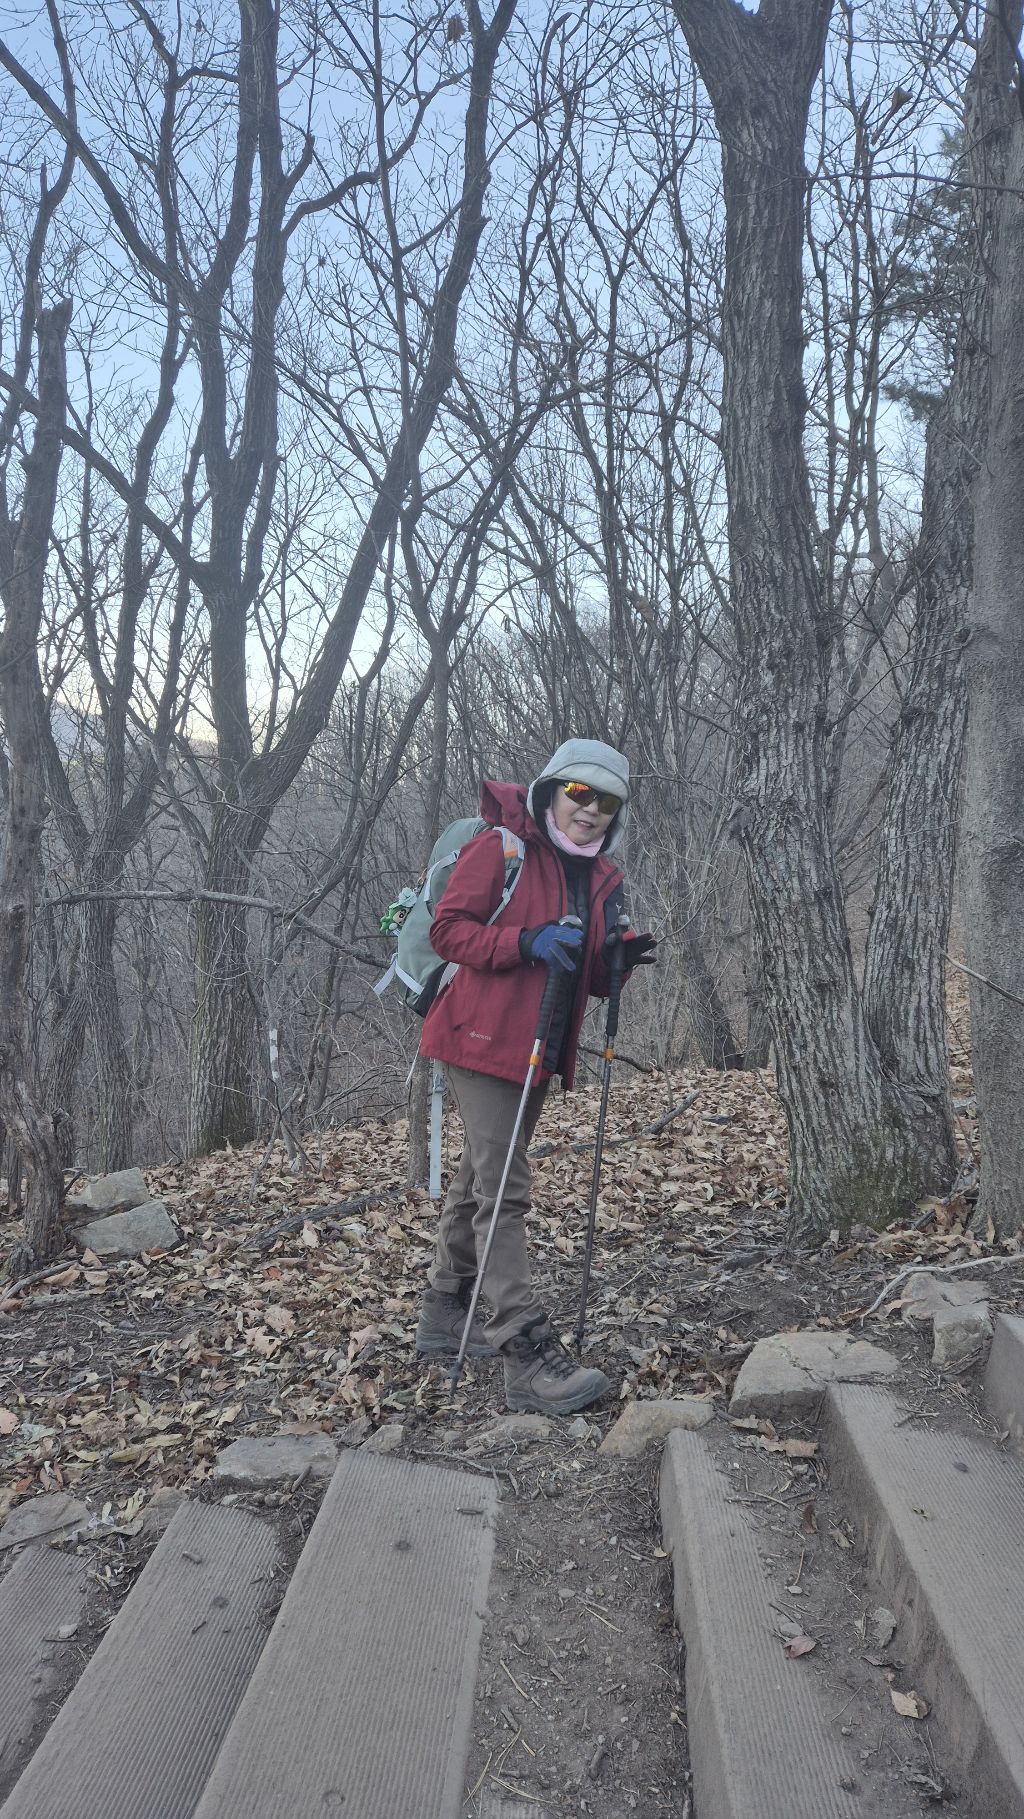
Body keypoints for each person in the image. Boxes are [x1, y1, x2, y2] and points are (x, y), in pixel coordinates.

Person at [415, 738, 656, 1415]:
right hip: (480, 1037)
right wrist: (525, 942)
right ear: (551, 790)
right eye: (579, 792)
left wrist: (613, 961)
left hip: (539, 1047)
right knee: (505, 1190)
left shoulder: (601, 876)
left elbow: (587, 974)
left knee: (480, 1176)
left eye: (606, 801)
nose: (591, 809)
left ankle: (445, 1309)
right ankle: (522, 1350)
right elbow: (448, 931)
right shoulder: (503, 849)